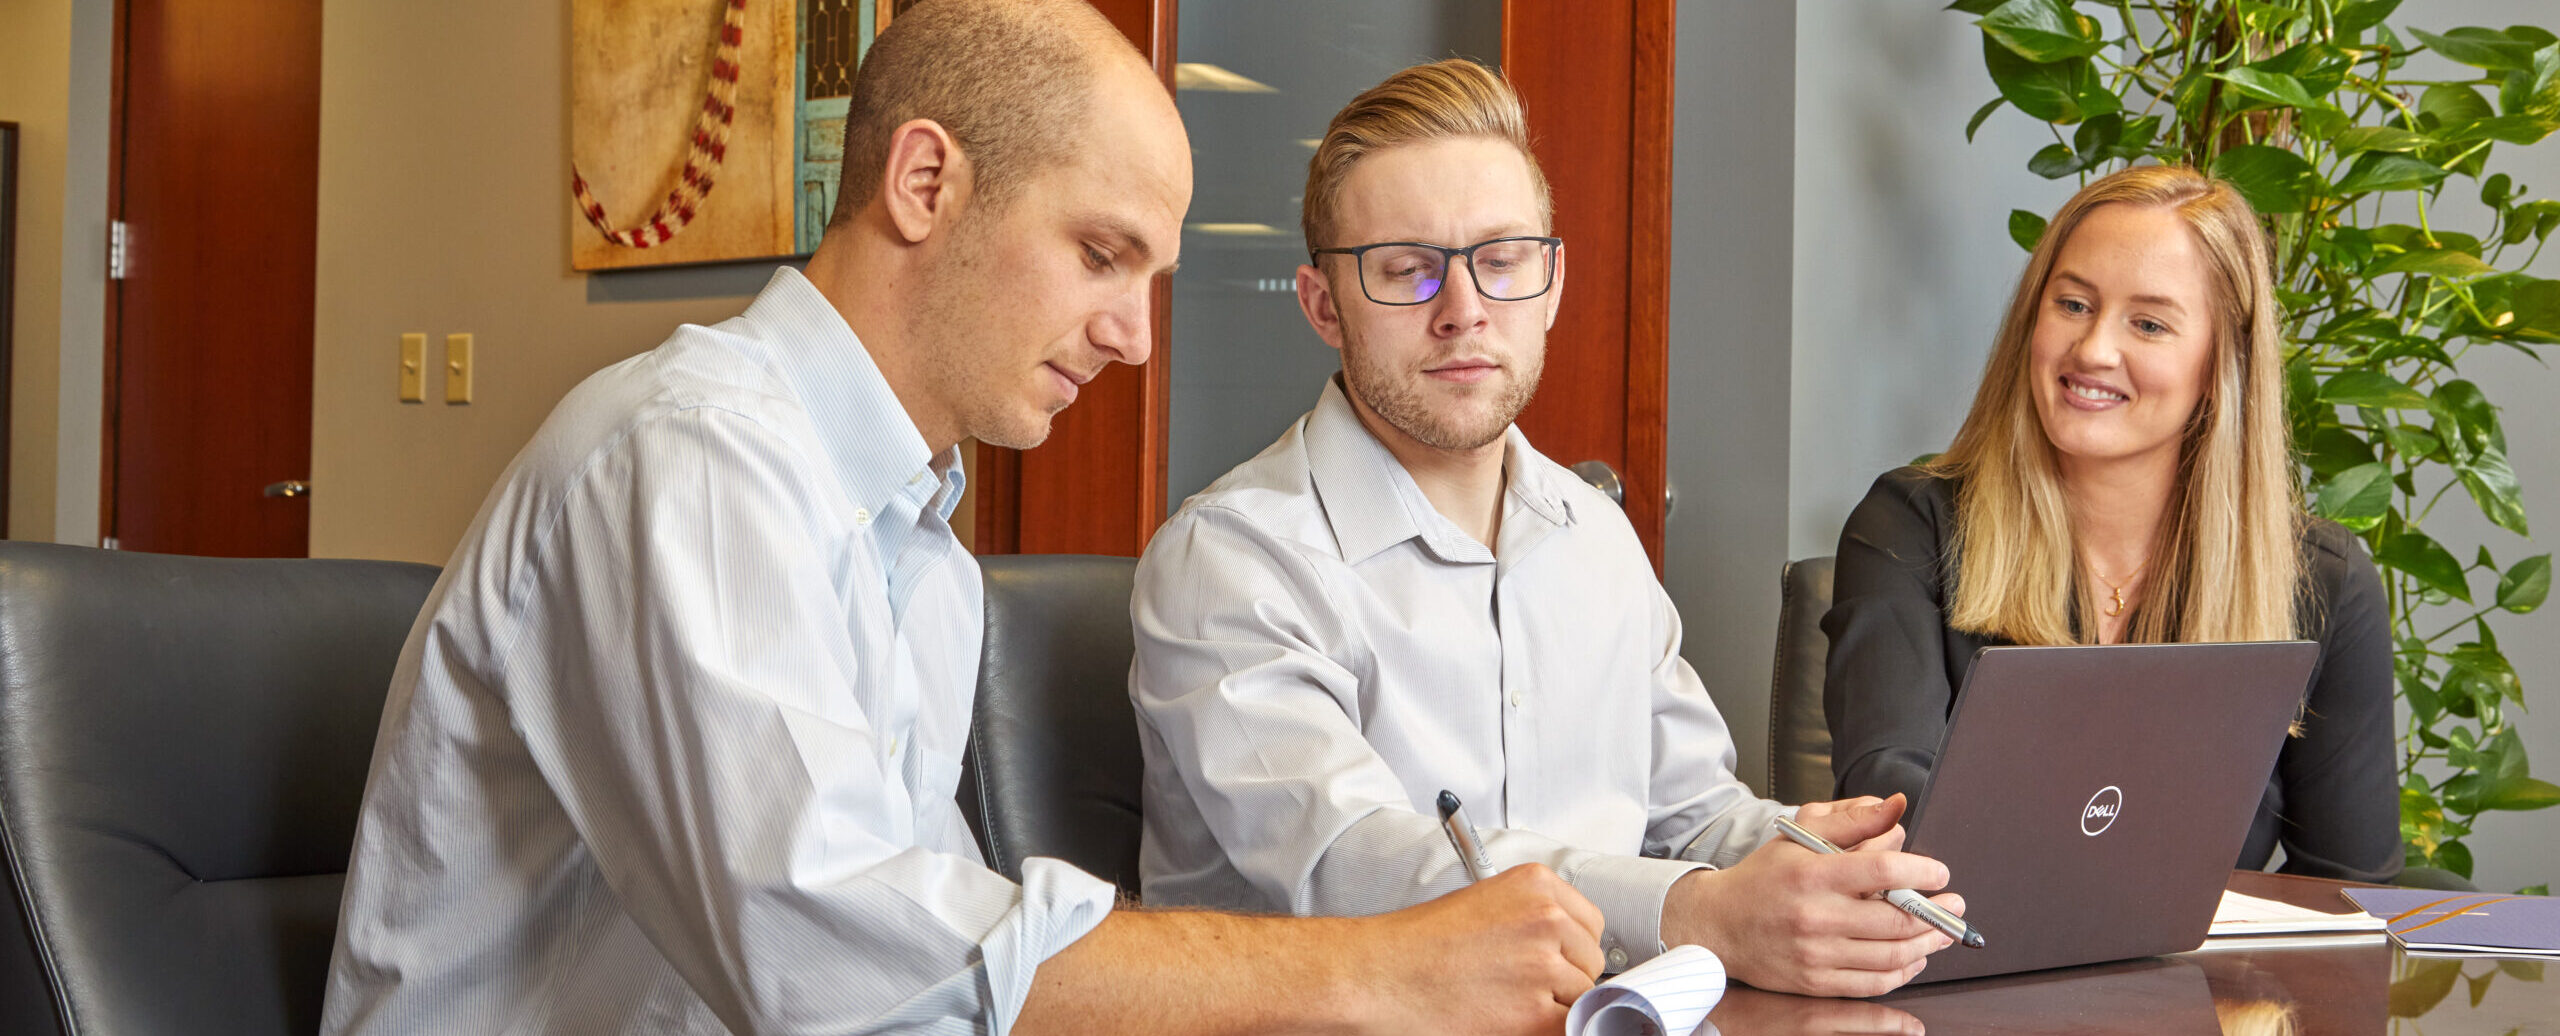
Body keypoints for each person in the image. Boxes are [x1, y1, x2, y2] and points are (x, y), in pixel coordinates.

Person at [320, 5, 1611, 1034]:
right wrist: (1374, 974)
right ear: (927, 181)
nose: (1132, 337)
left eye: (1150, 279)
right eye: (1103, 254)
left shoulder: (919, 549)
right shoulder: (689, 454)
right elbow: (827, 954)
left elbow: (933, 982)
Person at [1129, 58, 1964, 999]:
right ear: (1324, 305)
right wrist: (1699, 912)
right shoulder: (1232, 560)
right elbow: (1358, 868)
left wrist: (1822, 857)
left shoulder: (1594, 536)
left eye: (1501, 260)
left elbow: (1692, 816)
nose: (1464, 310)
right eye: (1407, 270)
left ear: (1552, 282)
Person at [1822, 164, 2400, 883]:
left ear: (2223, 363)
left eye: (2149, 323)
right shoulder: (1909, 527)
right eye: (2072, 304)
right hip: (1959, 979)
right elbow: (1899, 828)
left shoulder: (2322, 579)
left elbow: (2350, 886)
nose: (2093, 349)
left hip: (2202, 989)